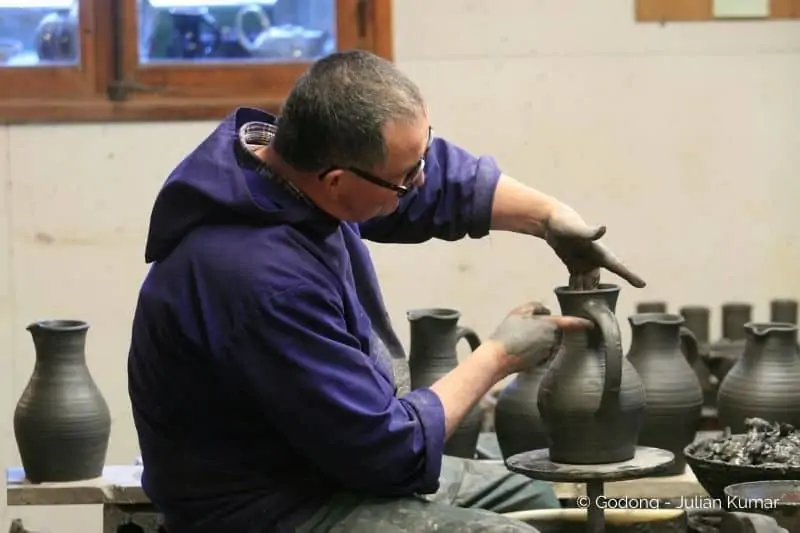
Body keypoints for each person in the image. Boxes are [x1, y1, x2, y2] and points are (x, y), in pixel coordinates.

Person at [127, 50, 645, 533]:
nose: (420, 179)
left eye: (421, 155)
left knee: (533, 496)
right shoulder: (261, 279)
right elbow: (385, 452)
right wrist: (498, 356)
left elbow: (436, 180)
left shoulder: (285, 171)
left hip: (320, 463)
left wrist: (550, 217)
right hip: (265, 507)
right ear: (335, 181)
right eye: (405, 176)